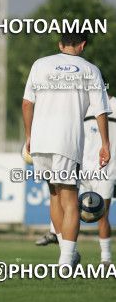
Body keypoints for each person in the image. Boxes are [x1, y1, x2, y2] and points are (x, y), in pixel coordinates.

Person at [22, 32, 110, 268]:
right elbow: (101, 110)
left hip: (41, 141)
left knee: (54, 196)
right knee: (70, 199)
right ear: (82, 45)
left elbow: (27, 103)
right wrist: (106, 143)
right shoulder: (90, 70)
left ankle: (67, 254)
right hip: (67, 141)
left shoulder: (40, 65)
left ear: (60, 44)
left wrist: (29, 136)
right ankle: (65, 261)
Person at [79, 92, 116, 266]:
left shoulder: (115, 105)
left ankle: (106, 259)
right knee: (72, 212)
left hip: (107, 171)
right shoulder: (85, 107)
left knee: (103, 215)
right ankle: (70, 254)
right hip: (84, 171)